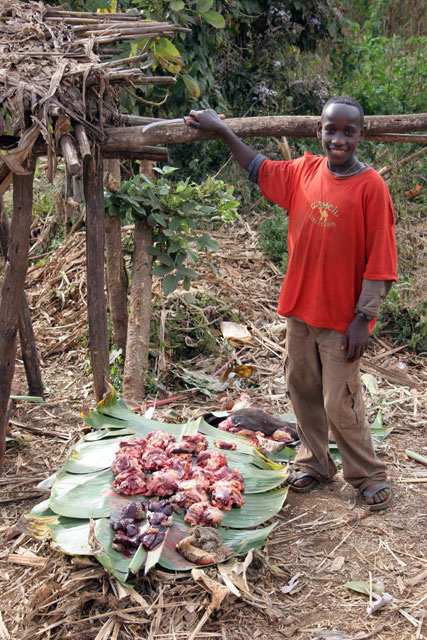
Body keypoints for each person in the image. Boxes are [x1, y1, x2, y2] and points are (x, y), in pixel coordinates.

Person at [185, 97, 397, 510]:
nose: (338, 139)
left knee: (342, 400)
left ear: (361, 135)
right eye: (330, 130)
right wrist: (223, 129)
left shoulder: (371, 187)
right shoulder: (304, 172)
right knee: (302, 389)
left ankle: (367, 474)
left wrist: (363, 318)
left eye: (347, 132)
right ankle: (315, 463)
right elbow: (257, 167)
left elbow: (382, 259)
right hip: (300, 310)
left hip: (343, 319)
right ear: (318, 131)